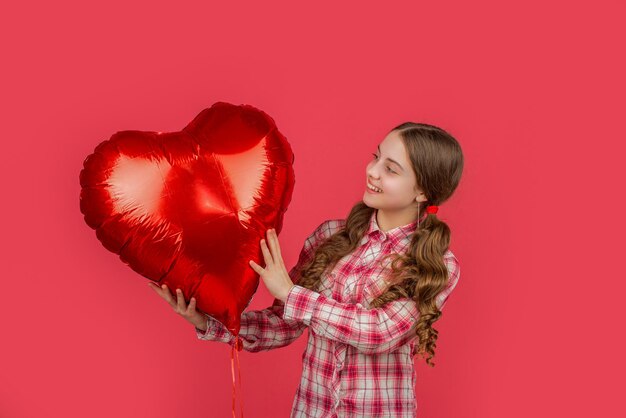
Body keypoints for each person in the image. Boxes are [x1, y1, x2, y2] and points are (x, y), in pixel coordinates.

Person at [148, 122, 463, 417]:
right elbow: (283, 324)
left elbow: (378, 332)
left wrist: (291, 293)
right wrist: (208, 321)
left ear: (423, 192)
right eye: (376, 158)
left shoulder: (437, 264)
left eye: (391, 169)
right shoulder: (329, 237)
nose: (372, 172)